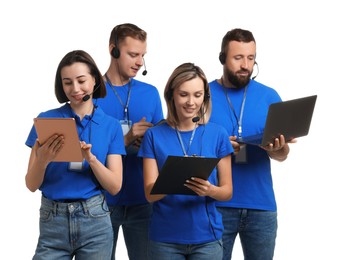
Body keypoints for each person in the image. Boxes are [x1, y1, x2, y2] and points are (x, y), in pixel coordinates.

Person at [25, 50, 126, 260]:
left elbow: (115, 186)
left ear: (95, 80)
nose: (75, 89)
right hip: (53, 220)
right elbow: (31, 184)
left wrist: (92, 159)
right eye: (67, 82)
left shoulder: (111, 126)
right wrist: (42, 161)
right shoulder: (46, 121)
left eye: (81, 81)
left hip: (95, 220)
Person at [209, 28, 295, 260]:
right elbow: (188, 147)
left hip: (261, 207)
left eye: (251, 58)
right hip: (217, 205)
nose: (245, 65)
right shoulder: (202, 95)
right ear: (222, 58)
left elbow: (282, 154)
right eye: (238, 58)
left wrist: (278, 149)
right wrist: (219, 149)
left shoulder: (269, 96)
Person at [138, 62, 234, 259]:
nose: (191, 102)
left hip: (207, 238)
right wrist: (174, 179)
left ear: (205, 97)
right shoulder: (154, 136)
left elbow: (227, 191)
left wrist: (210, 190)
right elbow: (149, 193)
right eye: (184, 94)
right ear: (171, 95)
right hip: (165, 239)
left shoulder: (218, 134)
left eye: (198, 95)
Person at [95, 23, 164, 259]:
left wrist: (150, 142)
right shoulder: (90, 94)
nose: (139, 62)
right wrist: (125, 140)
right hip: (101, 202)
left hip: (144, 200)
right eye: (133, 55)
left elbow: (164, 147)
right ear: (113, 50)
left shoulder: (151, 93)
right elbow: (82, 155)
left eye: (142, 55)